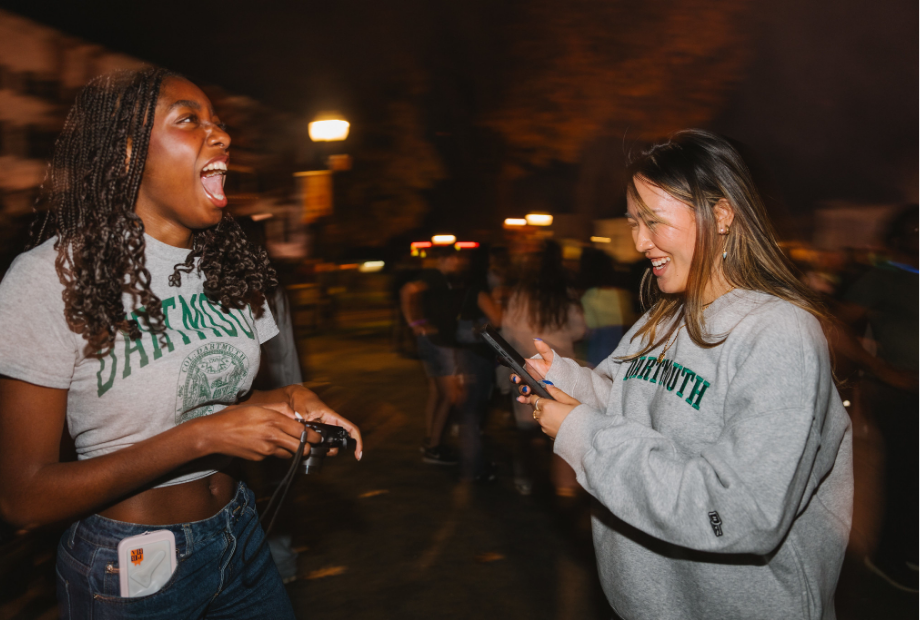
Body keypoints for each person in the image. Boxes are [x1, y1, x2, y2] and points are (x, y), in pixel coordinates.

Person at [0, 68, 362, 619]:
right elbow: (23, 496)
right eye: (189, 120)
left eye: (218, 123)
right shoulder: (48, 279)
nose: (221, 136)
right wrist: (199, 439)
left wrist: (288, 399)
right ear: (126, 153)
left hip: (241, 536)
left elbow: (219, 405)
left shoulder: (231, 267)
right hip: (131, 571)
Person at [514, 130, 852, 619]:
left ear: (721, 214)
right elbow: (623, 400)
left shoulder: (780, 334)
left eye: (653, 221)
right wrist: (563, 380)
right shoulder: (662, 317)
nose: (638, 241)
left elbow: (741, 513)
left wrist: (583, 436)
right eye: (634, 222)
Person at [837, 205, 918, 592]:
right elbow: (836, 329)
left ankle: (909, 547)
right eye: (916, 230)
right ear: (899, 237)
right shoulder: (883, 278)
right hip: (897, 394)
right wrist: (882, 370)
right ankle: (888, 557)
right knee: (904, 474)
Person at [501, 241, 585, 496]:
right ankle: (562, 484)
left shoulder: (520, 294)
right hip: (560, 370)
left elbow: (508, 330)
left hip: (528, 368)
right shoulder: (565, 293)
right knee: (560, 428)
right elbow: (579, 329)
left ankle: (525, 476)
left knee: (527, 428)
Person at [400, 246, 466, 465]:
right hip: (438, 343)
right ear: (446, 259)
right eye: (456, 259)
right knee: (451, 395)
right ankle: (435, 448)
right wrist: (414, 323)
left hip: (435, 342)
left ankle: (430, 440)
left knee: (437, 394)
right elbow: (407, 290)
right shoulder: (433, 275)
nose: (458, 263)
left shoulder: (441, 278)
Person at [578, 248, 636, 367]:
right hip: (619, 352)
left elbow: (586, 330)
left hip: (596, 352)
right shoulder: (621, 294)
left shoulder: (590, 296)